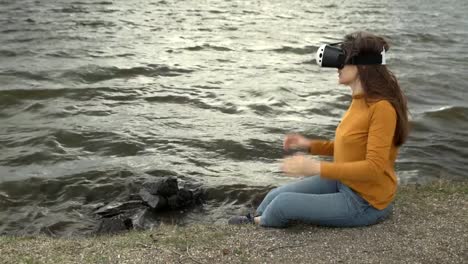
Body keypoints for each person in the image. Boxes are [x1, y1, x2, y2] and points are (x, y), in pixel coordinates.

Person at [228, 31, 409, 228]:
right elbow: (349, 148)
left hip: (366, 202)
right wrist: (309, 146)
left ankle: (256, 223)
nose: (337, 68)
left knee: (283, 204)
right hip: (345, 182)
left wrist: (316, 168)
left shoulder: (382, 108)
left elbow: (374, 168)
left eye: (343, 60)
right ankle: (257, 217)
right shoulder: (360, 101)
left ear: (362, 66)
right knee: (274, 194)